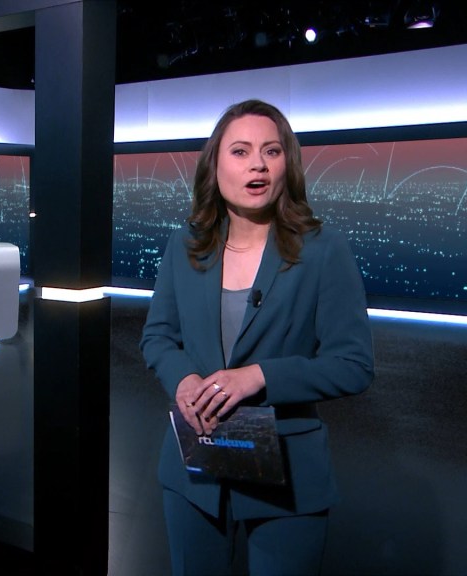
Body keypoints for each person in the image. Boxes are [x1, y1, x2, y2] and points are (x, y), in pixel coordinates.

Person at [140, 99, 374, 575]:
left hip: (286, 476)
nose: (258, 165)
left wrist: (259, 377)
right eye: (241, 151)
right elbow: (158, 336)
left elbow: (353, 365)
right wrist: (183, 380)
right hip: (194, 467)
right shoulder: (184, 245)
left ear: (288, 163)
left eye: (271, 151)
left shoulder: (324, 250)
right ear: (215, 165)